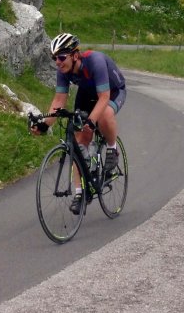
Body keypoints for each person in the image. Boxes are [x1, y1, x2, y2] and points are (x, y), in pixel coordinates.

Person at [32, 32, 127, 215]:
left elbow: (104, 97)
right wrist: (45, 125)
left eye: (61, 57)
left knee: (103, 115)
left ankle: (112, 148)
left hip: (113, 91)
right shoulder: (63, 71)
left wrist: (91, 122)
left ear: (75, 55)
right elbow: (59, 101)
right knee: (79, 141)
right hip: (87, 93)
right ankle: (79, 193)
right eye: (54, 58)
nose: (58, 62)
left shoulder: (95, 62)